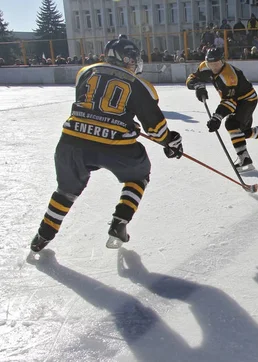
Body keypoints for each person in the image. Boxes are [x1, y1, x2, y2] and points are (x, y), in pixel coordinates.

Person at [30, 38, 184, 252]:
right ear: (126, 58)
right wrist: (171, 142)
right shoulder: (140, 85)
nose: (135, 62)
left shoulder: (85, 71)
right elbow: (156, 129)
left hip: (72, 141)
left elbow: (91, 107)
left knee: (65, 191)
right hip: (115, 146)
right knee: (138, 176)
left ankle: (42, 235)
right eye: (133, 58)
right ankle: (119, 222)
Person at [185, 47, 258, 172]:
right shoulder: (204, 67)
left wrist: (217, 117)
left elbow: (230, 102)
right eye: (210, 64)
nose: (214, 67)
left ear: (222, 61)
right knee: (242, 133)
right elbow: (192, 77)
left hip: (246, 100)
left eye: (216, 63)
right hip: (236, 99)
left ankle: (244, 159)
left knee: (232, 125)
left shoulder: (229, 76)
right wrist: (197, 85)